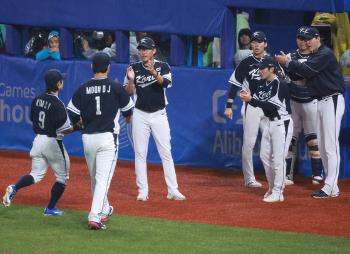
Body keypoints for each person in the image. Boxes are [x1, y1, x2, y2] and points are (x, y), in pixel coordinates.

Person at [275, 27, 346, 198]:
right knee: (322, 145)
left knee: (330, 145)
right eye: (304, 39)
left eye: (309, 39)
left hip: (332, 100)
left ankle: (330, 185)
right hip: (320, 101)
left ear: (317, 38)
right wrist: (287, 67)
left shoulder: (325, 54)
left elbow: (306, 70)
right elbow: (300, 77)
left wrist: (288, 62)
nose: (306, 42)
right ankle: (332, 187)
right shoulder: (315, 56)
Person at [67, 52, 134, 230]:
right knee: (102, 179)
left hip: (87, 138)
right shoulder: (116, 87)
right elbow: (128, 112)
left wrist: (80, 123)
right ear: (108, 68)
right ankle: (94, 216)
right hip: (107, 139)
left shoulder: (83, 87)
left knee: (95, 179)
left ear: (92, 67)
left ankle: (104, 209)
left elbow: (72, 113)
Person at [2, 69, 79, 215]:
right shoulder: (58, 104)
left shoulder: (37, 99)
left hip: (38, 141)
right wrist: (78, 126)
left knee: (36, 174)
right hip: (53, 142)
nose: (63, 82)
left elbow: (32, 119)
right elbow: (65, 129)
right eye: (61, 80)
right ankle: (50, 208)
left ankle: (15, 187)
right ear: (58, 84)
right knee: (62, 177)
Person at [124, 37, 185, 201]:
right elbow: (128, 92)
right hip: (140, 115)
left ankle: (173, 190)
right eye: (141, 49)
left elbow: (166, 83)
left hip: (159, 114)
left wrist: (154, 73)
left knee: (166, 153)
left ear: (153, 51)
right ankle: (143, 191)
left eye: (146, 49)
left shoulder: (163, 66)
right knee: (140, 153)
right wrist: (130, 80)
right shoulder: (133, 68)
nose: (143, 52)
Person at [224, 31, 279, 188]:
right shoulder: (246, 62)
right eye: (253, 42)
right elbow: (235, 84)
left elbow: (280, 82)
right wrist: (229, 106)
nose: (255, 45)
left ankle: (275, 178)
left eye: (259, 42)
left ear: (265, 44)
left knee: (271, 142)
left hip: (268, 107)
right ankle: (249, 178)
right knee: (249, 144)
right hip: (252, 106)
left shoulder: (272, 61)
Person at [240, 57, 293, 202]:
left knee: (278, 158)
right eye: (259, 68)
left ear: (272, 69)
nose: (260, 70)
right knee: (264, 156)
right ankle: (272, 187)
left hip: (282, 123)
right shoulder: (262, 84)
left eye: (263, 68)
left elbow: (271, 106)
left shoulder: (279, 83)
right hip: (270, 122)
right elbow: (258, 103)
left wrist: (250, 100)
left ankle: (278, 191)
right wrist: (248, 97)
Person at [284, 27, 323, 186]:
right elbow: (289, 76)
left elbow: (307, 75)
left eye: (304, 38)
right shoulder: (289, 56)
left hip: (311, 102)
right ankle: (287, 175)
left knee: (313, 140)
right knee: (290, 140)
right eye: (299, 38)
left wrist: (295, 70)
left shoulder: (317, 56)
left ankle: (317, 174)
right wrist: (297, 71)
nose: (301, 41)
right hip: (293, 101)